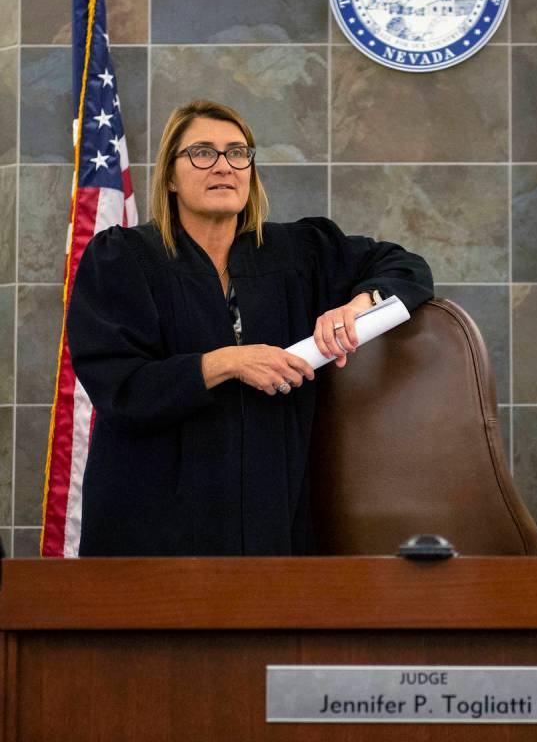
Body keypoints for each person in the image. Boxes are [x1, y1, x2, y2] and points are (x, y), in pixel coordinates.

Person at [67, 99, 433, 556]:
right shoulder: (124, 260)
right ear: (169, 177)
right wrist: (226, 362)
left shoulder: (298, 252)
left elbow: (407, 267)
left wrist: (358, 305)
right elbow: (120, 389)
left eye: (237, 153)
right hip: (153, 526)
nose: (223, 166)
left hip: (271, 522)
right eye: (202, 152)